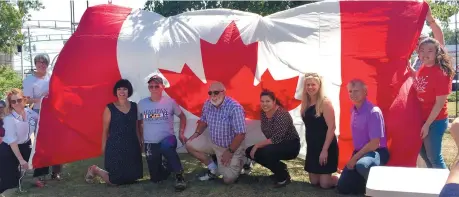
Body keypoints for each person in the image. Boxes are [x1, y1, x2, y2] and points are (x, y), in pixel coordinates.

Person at [185, 81, 246, 184]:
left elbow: (241, 133)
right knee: (189, 144)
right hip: (214, 143)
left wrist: (230, 152)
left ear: (224, 92)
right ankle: (213, 168)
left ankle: (243, 160)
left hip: (231, 147)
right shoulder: (208, 104)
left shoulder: (235, 107)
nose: (213, 96)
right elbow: (203, 120)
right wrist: (196, 133)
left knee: (228, 180)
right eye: (210, 93)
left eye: (216, 92)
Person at [85, 79, 143, 185]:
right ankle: (95, 169)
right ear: (116, 92)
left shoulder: (135, 106)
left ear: (128, 91)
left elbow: (136, 127)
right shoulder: (109, 108)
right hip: (115, 147)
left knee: (133, 179)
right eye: (119, 89)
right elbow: (105, 130)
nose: (122, 91)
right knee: (114, 181)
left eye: (125, 89)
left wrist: (140, 142)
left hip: (132, 146)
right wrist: (104, 147)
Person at [336, 79, 390, 195]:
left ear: (365, 91)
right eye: (350, 91)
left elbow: (374, 144)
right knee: (342, 188)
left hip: (376, 152)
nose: (352, 94)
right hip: (360, 152)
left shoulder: (373, 112)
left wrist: (354, 159)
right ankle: (365, 186)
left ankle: (380, 190)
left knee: (362, 165)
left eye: (356, 91)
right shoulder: (353, 110)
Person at [409, 37, 454, 169]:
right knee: (424, 154)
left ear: (437, 53)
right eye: (422, 50)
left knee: (434, 157)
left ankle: (448, 187)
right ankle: (435, 182)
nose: (425, 54)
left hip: (435, 121)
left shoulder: (441, 74)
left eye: (430, 51)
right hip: (423, 119)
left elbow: (439, 104)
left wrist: (427, 125)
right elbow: (419, 80)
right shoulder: (423, 68)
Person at [138, 75, 187, 191]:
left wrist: (181, 133)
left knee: (166, 147)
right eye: (151, 86)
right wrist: (140, 139)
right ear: (148, 88)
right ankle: (168, 165)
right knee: (156, 178)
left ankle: (179, 175)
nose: (154, 89)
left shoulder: (170, 102)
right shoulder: (141, 104)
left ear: (162, 87)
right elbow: (139, 122)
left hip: (168, 138)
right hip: (150, 142)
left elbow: (182, 116)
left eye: (157, 86)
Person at [245, 89, 300, 188]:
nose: (264, 104)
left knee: (265, 152)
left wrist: (257, 145)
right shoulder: (263, 113)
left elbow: (276, 138)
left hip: (291, 145)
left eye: (268, 101)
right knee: (249, 152)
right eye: (262, 101)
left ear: (274, 102)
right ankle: (280, 168)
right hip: (275, 145)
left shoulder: (281, 114)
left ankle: (283, 178)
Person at [22, 53, 63, 180]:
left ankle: (56, 172)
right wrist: (41, 99)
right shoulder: (29, 80)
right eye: (39, 62)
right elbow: (25, 101)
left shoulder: (52, 77)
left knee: (57, 142)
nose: (42, 65)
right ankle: (40, 174)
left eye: (44, 62)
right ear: (35, 64)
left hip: (55, 112)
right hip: (39, 113)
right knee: (42, 144)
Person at [300, 73, 339, 189]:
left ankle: (340, 177)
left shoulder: (325, 103)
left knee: (324, 184)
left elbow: (332, 128)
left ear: (319, 86)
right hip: (313, 147)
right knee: (314, 182)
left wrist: (325, 150)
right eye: (308, 85)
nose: (310, 87)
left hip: (326, 146)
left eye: (313, 84)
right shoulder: (305, 103)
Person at [0, 88, 42, 194]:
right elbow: (12, 142)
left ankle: (35, 179)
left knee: (40, 161)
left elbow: (41, 121)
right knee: (10, 183)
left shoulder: (30, 112)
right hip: (9, 148)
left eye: (19, 100)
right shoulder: (9, 119)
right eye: (13, 101)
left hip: (26, 144)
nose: (17, 103)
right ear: (10, 104)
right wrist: (21, 160)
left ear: (24, 100)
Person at [410, 6, 444, 71]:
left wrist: (429, 18)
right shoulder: (418, 60)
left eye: (420, 39)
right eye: (415, 42)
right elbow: (417, 77)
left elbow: (439, 39)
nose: (417, 42)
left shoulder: (435, 56)